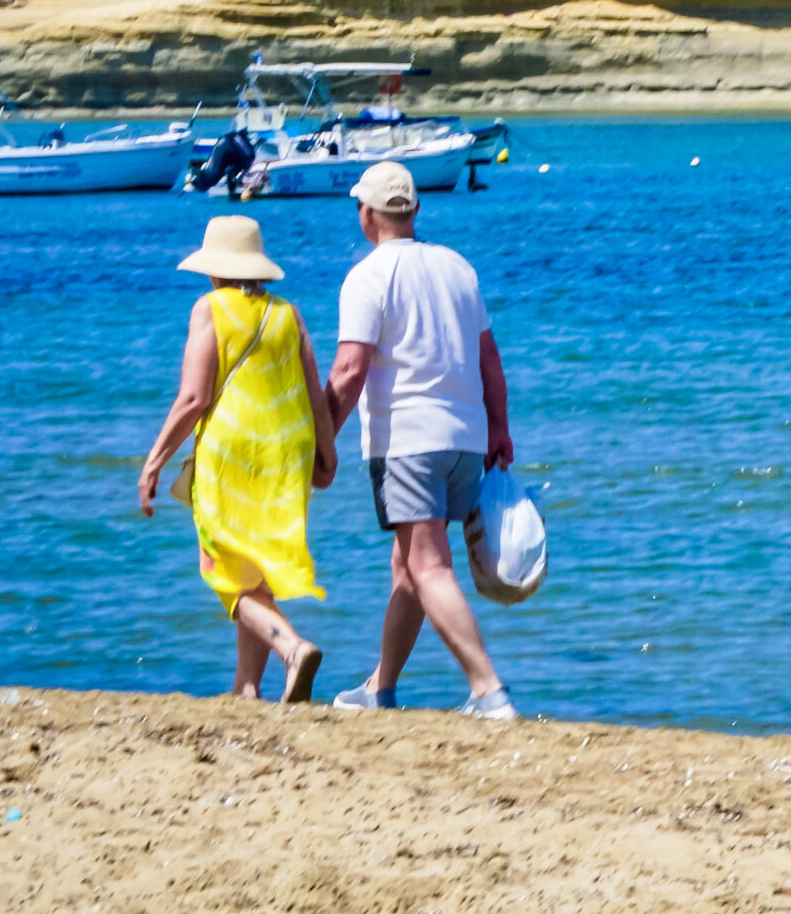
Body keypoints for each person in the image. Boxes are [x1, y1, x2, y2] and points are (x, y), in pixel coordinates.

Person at [324, 160, 519, 719]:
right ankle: (380, 688)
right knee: (407, 566)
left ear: (366, 214)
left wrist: (322, 442)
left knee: (429, 566)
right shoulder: (458, 267)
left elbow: (348, 370)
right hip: (464, 440)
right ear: (414, 210)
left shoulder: (367, 276)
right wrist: (500, 428)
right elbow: (489, 359)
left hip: (409, 440)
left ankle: (489, 691)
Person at [138, 216, 338, 702]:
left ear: (214, 269)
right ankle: (246, 688)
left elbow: (193, 398)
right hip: (285, 459)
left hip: (229, 458)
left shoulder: (210, 309)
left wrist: (154, 462)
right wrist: (327, 454)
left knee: (221, 571)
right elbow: (315, 397)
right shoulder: (288, 314)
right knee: (252, 571)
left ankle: (292, 648)